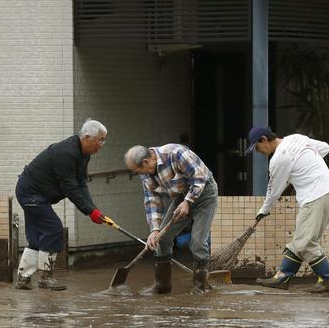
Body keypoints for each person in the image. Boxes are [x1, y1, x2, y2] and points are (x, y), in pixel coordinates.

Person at [15, 119, 107, 291]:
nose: (102, 144)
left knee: (35, 238)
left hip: (36, 193)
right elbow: (70, 188)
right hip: (30, 193)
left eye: (104, 140)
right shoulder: (67, 153)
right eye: (100, 139)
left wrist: (93, 209)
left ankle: (23, 279)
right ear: (87, 137)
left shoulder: (83, 154)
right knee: (54, 228)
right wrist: (89, 211)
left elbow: (81, 184)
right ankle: (45, 277)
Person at [247, 125, 329, 294]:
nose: (258, 152)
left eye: (256, 147)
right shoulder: (296, 138)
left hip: (315, 197)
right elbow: (325, 147)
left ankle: (326, 279)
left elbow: (273, 190)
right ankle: (282, 277)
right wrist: (306, 165)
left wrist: (263, 210)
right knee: (301, 240)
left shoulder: (279, 159)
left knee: (305, 243)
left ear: (264, 140)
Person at [124, 144, 218, 294]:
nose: (138, 174)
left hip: (204, 193)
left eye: (137, 171)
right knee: (161, 239)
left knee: (198, 242)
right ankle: (162, 286)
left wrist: (188, 201)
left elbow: (199, 177)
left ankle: (201, 287)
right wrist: (154, 230)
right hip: (181, 197)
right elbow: (152, 200)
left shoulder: (176, 153)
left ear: (146, 162)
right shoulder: (146, 175)